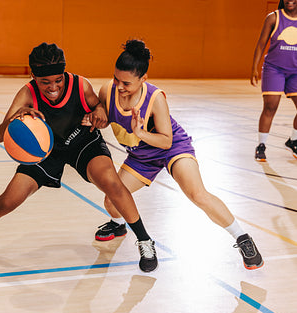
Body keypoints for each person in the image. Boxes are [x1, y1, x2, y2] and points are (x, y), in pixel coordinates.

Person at [0, 42, 158, 272]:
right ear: (34, 77)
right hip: (45, 151)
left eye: (58, 79)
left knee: (112, 184)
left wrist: (100, 111)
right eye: (45, 82)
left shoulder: (80, 84)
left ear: (64, 74)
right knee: (8, 200)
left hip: (82, 141)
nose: (53, 86)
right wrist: (16, 116)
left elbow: (98, 106)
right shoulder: (27, 93)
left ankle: (144, 241)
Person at [88, 39, 263, 270]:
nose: (120, 87)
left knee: (197, 194)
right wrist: (96, 117)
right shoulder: (107, 91)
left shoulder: (155, 97)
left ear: (143, 79)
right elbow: (107, 119)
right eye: (116, 79)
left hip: (171, 148)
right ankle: (118, 224)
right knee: (111, 200)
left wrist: (139, 132)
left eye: (127, 83)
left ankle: (243, 239)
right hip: (141, 156)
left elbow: (166, 139)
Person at [251, 0, 297, 161]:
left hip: (295, 71)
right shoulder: (273, 18)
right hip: (274, 69)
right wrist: (254, 67)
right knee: (271, 106)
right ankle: (261, 145)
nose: (290, 1)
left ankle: (293, 140)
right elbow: (261, 44)